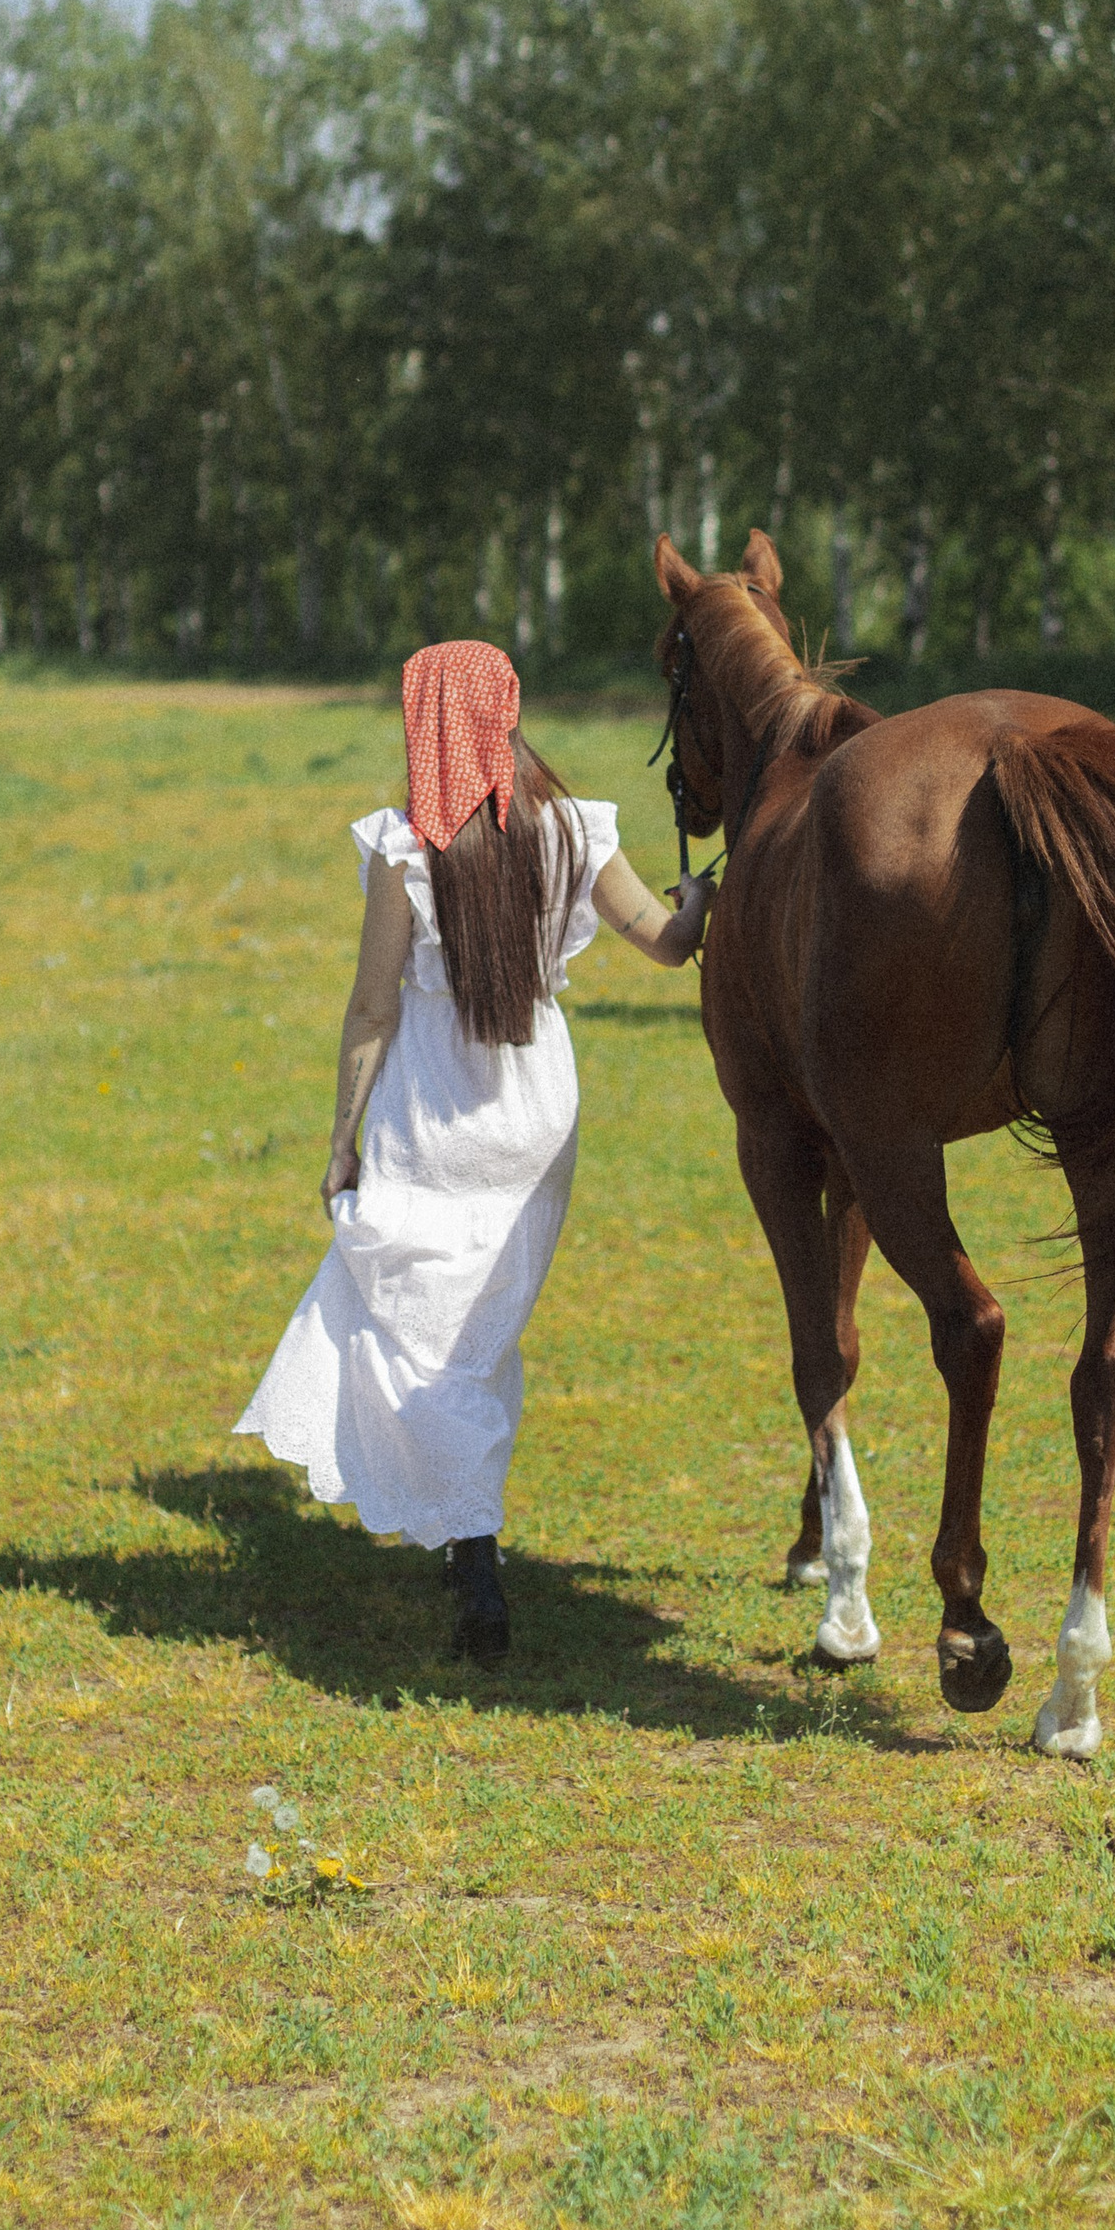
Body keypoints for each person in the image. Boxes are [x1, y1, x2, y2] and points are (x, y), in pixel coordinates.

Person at [234, 639, 713, 1659]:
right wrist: (703, 897)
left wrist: (339, 1138)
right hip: (534, 1111)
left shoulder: (405, 849)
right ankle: (463, 1535)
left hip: (431, 1110)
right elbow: (670, 943)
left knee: (414, 1325)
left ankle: (475, 1557)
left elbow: (372, 1006)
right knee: (475, 1335)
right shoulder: (576, 831)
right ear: (511, 709)